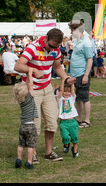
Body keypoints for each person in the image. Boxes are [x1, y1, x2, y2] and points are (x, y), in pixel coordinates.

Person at [14, 28, 75, 163]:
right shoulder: (33, 47)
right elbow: (18, 66)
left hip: (47, 87)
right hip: (31, 89)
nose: (52, 48)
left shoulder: (56, 50)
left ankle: (48, 152)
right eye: (51, 45)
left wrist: (66, 77)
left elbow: (57, 67)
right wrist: (33, 70)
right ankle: (33, 153)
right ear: (46, 39)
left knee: (52, 120)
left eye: (56, 47)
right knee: (34, 123)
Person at [13, 68, 38, 169]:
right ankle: (29, 161)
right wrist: (31, 73)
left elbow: (28, 85)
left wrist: (27, 75)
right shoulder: (30, 98)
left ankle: (18, 159)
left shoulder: (21, 100)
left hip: (22, 126)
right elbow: (30, 85)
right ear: (27, 93)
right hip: (30, 126)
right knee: (30, 145)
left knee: (21, 144)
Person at [57, 82, 79, 158]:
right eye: (64, 91)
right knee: (65, 136)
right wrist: (63, 81)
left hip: (73, 122)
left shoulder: (71, 98)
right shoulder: (60, 99)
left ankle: (75, 150)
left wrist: (72, 83)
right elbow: (60, 90)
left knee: (74, 137)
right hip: (63, 122)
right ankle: (66, 144)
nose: (66, 93)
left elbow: (73, 90)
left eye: (68, 91)